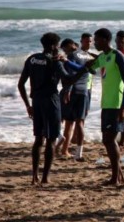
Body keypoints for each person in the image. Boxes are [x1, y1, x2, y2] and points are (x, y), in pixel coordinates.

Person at [17, 33, 86, 185]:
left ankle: (34, 176)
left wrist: (28, 105)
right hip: (52, 101)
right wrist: (82, 70)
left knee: (38, 139)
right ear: (55, 46)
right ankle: (45, 177)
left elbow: (21, 84)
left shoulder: (32, 59)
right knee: (51, 139)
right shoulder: (54, 61)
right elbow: (67, 80)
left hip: (36, 102)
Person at [86, 28, 124, 185]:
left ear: (106, 40)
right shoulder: (103, 57)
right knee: (107, 140)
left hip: (117, 104)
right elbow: (88, 69)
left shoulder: (117, 56)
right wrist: (67, 63)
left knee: (109, 140)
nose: (95, 43)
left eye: (97, 40)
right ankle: (118, 177)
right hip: (106, 104)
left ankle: (115, 178)